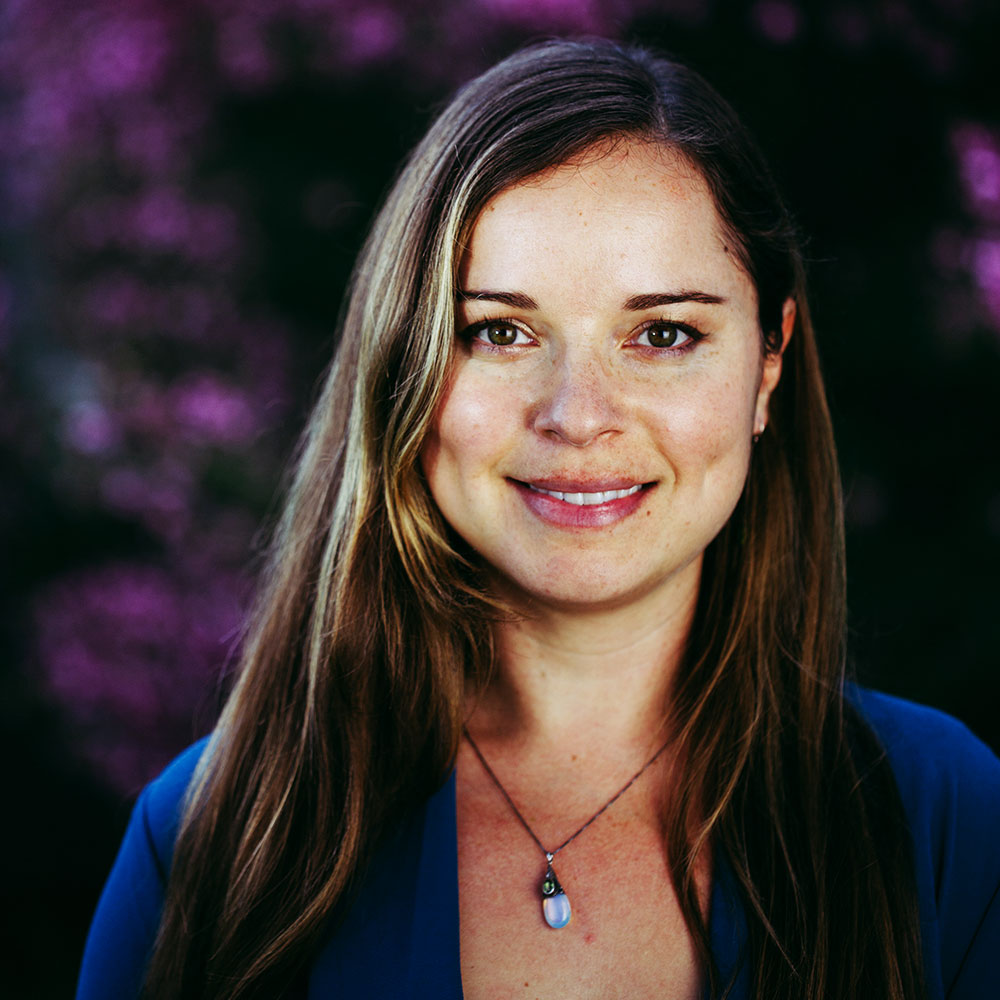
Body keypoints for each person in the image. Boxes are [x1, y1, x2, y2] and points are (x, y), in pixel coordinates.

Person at [75, 38, 999, 1000]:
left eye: (664, 334)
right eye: (501, 332)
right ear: (407, 364)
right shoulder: (215, 837)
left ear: (769, 362)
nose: (578, 413)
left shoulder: (944, 820)